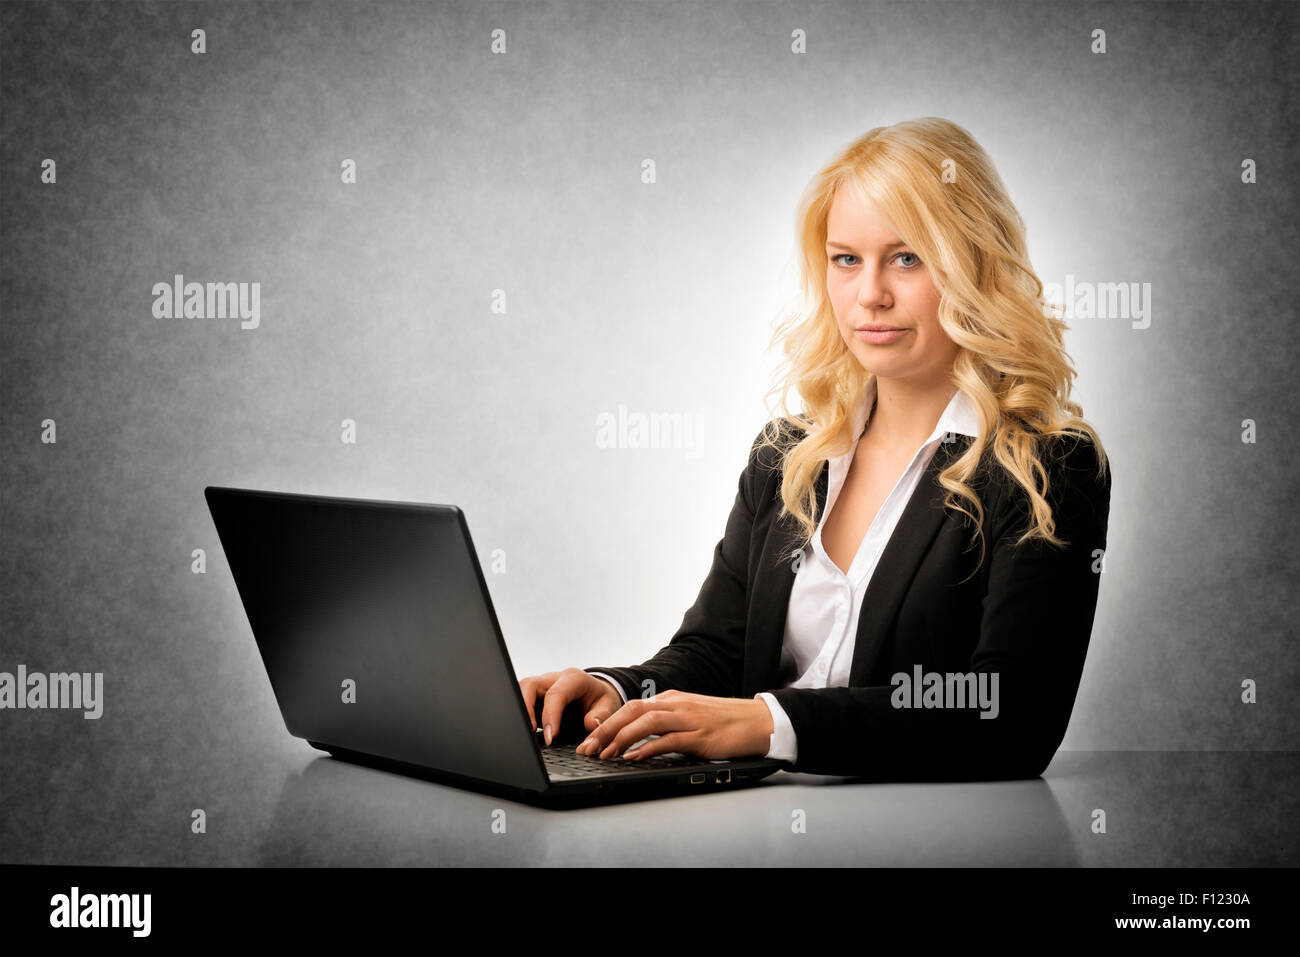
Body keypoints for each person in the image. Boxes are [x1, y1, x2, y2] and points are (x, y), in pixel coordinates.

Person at [518, 117, 1111, 781]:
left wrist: (774, 724)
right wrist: (620, 691)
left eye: (907, 256)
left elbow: (1013, 717)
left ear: (974, 264)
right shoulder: (787, 455)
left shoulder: (1046, 466)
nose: (870, 295)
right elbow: (717, 652)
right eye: (847, 258)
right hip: (756, 827)